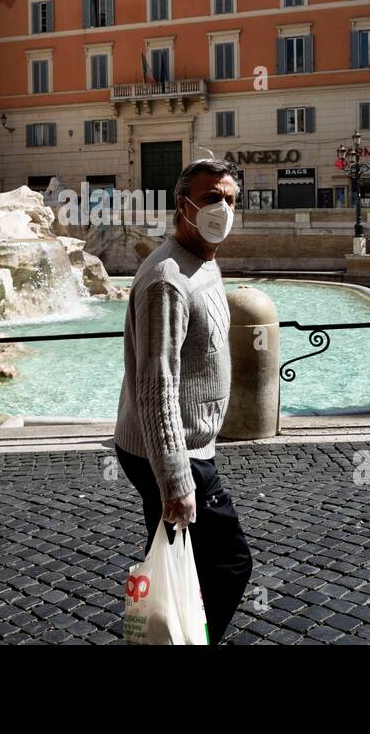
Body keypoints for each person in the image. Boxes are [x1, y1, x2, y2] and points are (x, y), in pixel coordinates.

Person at [114, 158, 253, 644]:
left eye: (231, 200)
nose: (223, 209)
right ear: (184, 205)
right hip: (175, 452)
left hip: (180, 446)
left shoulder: (203, 261)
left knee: (181, 564)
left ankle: (172, 634)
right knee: (232, 562)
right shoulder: (168, 278)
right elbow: (157, 385)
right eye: (212, 198)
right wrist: (175, 480)